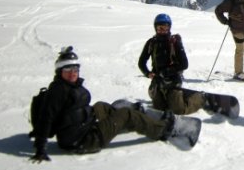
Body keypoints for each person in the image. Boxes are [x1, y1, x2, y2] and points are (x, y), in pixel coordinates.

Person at [30, 46, 175, 162]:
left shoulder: (66, 86)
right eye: (67, 69)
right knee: (126, 114)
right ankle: (161, 130)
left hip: (82, 128)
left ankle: (131, 118)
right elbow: (46, 118)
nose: (72, 73)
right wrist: (40, 149)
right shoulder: (58, 91)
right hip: (86, 141)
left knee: (100, 106)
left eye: (75, 69)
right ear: (59, 71)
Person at [138, 13, 205, 114]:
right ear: (155, 28)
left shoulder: (174, 42)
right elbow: (141, 62)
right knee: (159, 109)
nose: (163, 31)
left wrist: (167, 71)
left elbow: (184, 64)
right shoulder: (151, 43)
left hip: (173, 81)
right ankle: (165, 96)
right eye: (160, 28)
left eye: (165, 28)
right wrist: (148, 73)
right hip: (158, 82)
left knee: (178, 110)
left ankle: (200, 98)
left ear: (169, 28)